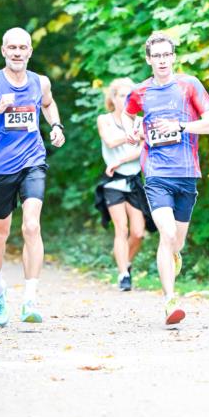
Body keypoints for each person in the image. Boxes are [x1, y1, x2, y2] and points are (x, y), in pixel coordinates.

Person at [0, 27, 65, 327]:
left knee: (32, 225)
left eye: (23, 47)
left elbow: (47, 104)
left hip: (33, 162)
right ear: (3, 51)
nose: (18, 52)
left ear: (30, 51)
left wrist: (56, 126)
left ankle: (30, 299)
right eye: (12, 48)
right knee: (0, 233)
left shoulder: (40, 82)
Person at [122, 32, 209, 327]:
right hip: (157, 173)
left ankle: (172, 259)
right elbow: (128, 114)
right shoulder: (141, 91)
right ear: (149, 59)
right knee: (166, 233)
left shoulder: (190, 86)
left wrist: (181, 125)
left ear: (174, 56)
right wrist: (132, 129)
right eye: (156, 56)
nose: (162, 60)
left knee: (177, 241)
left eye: (166, 55)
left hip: (187, 174)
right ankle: (170, 300)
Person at [95, 78, 148, 291]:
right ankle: (124, 275)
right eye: (121, 95)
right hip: (113, 181)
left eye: (129, 95)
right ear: (113, 98)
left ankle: (125, 262)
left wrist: (120, 160)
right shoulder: (104, 119)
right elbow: (109, 141)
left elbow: (142, 149)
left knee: (138, 232)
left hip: (134, 179)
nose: (126, 99)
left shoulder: (141, 120)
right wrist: (132, 136)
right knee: (121, 228)